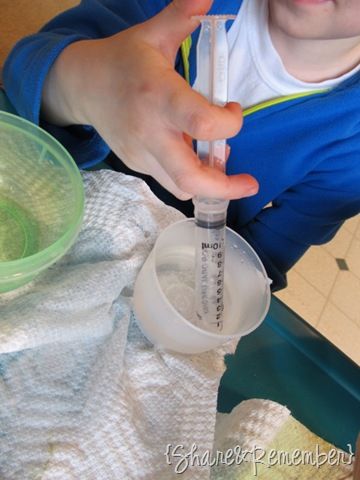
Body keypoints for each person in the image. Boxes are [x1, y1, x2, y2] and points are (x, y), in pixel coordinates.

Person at [3, 0, 360, 290]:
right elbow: (21, 72)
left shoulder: (351, 149)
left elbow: (257, 267)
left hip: (152, 278)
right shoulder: (179, 6)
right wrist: (82, 85)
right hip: (33, 198)